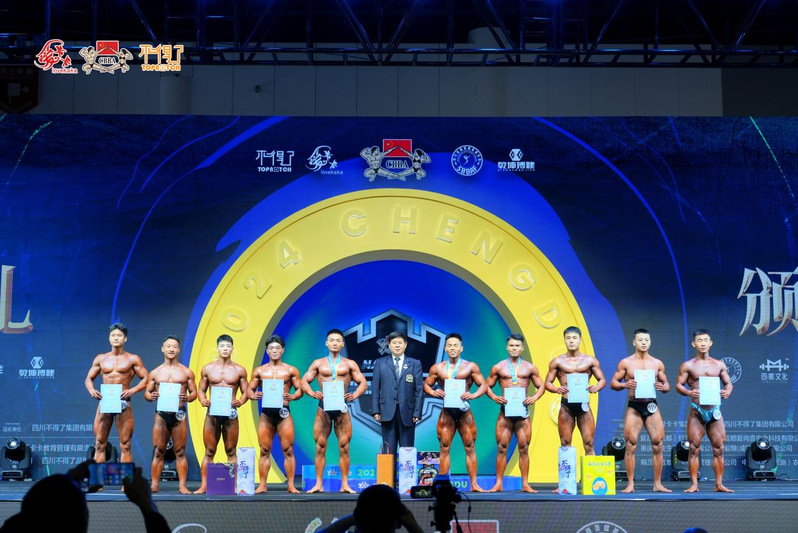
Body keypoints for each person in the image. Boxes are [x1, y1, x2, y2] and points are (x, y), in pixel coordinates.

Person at [0, 460, 170, 533]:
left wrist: (68, 478)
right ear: (81, 520)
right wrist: (147, 506)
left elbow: (19, 524)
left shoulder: (20, 524)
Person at [301, 328, 368, 493]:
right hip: (323, 407)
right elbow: (304, 381)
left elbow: (363, 382)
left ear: (342, 343)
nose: (335, 343)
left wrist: (355, 395)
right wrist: (312, 393)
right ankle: (318, 484)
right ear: (326, 343)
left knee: (344, 446)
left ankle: (345, 485)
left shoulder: (349, 364)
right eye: (332, 340)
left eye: (338, 340)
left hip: (342, 408)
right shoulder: (318, 363)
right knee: (320, 445)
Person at [423, 332, 487, 492]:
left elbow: (483, 385)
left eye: (455, 345)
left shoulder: (470, 366)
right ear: (445, 348)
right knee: (444, 447)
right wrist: (433, 392)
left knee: (470, 446)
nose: (452, 348)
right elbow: (426, 385)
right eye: (450, 345)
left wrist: (473, 395)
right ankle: (444, 485)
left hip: (464, 412)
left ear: (461, 348)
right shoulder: (437, 368)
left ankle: (474, 484)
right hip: (447, 413)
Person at [609, 328, 671, 493]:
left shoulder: (657, 363)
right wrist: (625, 384)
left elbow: (667, 385)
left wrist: (662, 387)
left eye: (646, 340)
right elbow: (613, 383)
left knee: (658, 444)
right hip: (634, 406)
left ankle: (657, 484)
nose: (643, 343)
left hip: (651, 405)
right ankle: (630, 484)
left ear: (650, 342)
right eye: (640, 340)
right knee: (630, 444)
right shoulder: (626, 363)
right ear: (634, 342)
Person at [484, 333, 545, 493]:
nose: (514, 348)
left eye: (517, 346)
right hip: (505, 413)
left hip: (522, 413)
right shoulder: (498, 367)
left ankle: (525, 484)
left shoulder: (530, 368)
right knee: (501, 447)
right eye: (511, 345)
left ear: (522, 348)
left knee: (524, 448)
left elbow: (541, 386)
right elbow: (486, 385)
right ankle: (498, 484)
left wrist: (534, 397)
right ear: (507, 347)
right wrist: (494, 397)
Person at [675, 328, 734, 493]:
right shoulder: (688, 365)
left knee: (719, 448)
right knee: (694, 448)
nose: (703, 343)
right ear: (694, 344)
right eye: (699, 341)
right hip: (697, 410)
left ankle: (719, 484)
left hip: (714, 410)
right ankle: (694, 484)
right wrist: (688, 392)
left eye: (705, 340)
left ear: (710, 343)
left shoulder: (719, 364)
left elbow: (728, 383)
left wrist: (727, 392)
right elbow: (678, 385)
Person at [84, 323, 148, 463]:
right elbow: (88, 379)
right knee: (99, 444)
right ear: (109, 338)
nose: (116, 338)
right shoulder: (101, 358)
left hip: (123, 402)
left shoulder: (133, 358)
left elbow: (146, 378)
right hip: (105, 402)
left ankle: (126, 478)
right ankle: (98, 478)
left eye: (119, 335)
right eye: (113, 335)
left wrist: (133, 390)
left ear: (125, 339)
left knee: (126, 445)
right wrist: (91, 390)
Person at [193, 334, 249, 494]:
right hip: (212, 414)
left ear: (232, 349)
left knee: (231, 451)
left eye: (228, 346)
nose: (225, 349)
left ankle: (233, 485)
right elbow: (201, 390)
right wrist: (203, 400)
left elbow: (246, 391)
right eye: (222, 346)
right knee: (209, 451)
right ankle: (204, 486)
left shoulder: (239, 370)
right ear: (217, 348)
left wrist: (241, 401)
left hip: (231, 414)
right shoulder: (207, 369)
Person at [247, 334, 303, 493]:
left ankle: (291, 485)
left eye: (277, 348)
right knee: (264, 450)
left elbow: (300, 390)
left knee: (288, 449)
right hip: (266, 414)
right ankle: (262, 485)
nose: (274, 351)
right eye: (271, 348)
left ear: (282, 350)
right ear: (267, 350)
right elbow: (249, 391)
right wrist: (254, 396)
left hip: (284, 413)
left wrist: (293, 396)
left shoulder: (291, 370)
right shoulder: (259, 371)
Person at [144, 335, 198, 493]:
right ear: (163, 349)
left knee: (180, 451)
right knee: (158, 450)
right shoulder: (155, 373)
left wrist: (188, 398)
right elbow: (147, 393)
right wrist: (151, 396)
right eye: (168, 346)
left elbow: (194, 393)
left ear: (179, 349)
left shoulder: (186, 372)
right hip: (161, 415)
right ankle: (154, 485)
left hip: (179, 415)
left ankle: (182, 486)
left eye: (174, 347)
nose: (171, 349)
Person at [544, 326, 606, 455]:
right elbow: (547, 383)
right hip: (566, 406)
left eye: (574, 338)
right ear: (564, 340)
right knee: (565, 444)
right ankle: (568, 469)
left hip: (584, 406)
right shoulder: (557, 361)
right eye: (568, 338)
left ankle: (589, 469)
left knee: (589, 443)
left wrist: (596, 387)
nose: (571, 341)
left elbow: (602, 380)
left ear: (580, 340)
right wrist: (556, 389)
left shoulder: (590, 360)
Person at [371, 331, 424, 456]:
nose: (397, 345)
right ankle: (390, 470)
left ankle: (406, 470)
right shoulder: (380, 363)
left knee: (407, 450)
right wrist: (376, 411)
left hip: (408, 412)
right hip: (386, 411)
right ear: (389, 345)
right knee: (388, 450)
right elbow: (375, 388)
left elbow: (419, 390)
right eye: (394, 343)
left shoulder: (415, 363)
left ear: (405, 345)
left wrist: (417, 412)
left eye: (400, 342)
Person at [317, 484, 425, 533]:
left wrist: (354, 517)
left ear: (358, 516)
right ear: (397, 522)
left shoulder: (358, 517)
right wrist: (413, 525)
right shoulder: (399, 521)